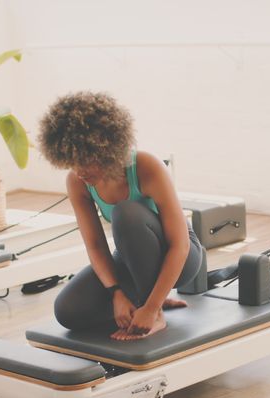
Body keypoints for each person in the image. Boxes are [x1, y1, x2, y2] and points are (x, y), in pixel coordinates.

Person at [37, 91, 206, 340]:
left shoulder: (147, 167)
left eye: (86, 161)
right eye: (73, 162)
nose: (80, 171)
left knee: (126, 213)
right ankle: (143, 301)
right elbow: (95, 245)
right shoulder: (77, 181)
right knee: (68, 310)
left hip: (181, 257)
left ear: (107, 149)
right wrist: (116, 293)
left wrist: (152, 307)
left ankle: (155, 310)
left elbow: (179, 245)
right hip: (131, 260)